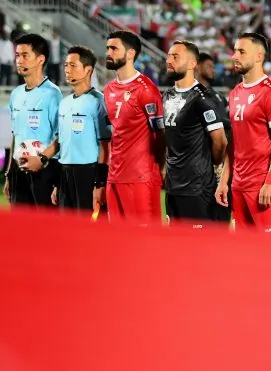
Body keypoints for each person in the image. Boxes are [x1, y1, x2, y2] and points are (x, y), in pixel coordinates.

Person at [215, 33, 271, 234]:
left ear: (258, 56)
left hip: (263, 186)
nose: (234, 56)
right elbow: (233, 142)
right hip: (239, 185)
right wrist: (224, 180)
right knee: (243, 249)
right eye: (235, 51)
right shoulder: (235, 93)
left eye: (241, 51)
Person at [161, 41, 228, 227]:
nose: (169, 60)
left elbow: (220, 141)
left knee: (199, 243)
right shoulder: (167, 96)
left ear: (192, 64)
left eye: (175, 57)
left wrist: (211, 165)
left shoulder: (203, 98)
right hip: (172, 186)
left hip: (197, 188)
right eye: (169, 56)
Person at [103, 30, 165, 225]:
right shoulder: (108, 89)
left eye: (114, 48)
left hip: (140, 177)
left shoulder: (146, 89)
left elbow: (160, 134)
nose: (108, 52)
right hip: (114, 176)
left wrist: (161, 167)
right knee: (116, 238)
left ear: (130, 54)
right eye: (107, 48)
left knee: (144, 238)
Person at [4, 32, 61, 208]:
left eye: (25, 55)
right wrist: (9, 173)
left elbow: (62, 137)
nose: (19, 60)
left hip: (44, 170)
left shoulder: (53, 94)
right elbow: (15, 134)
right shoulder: (16, 94)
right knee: (20, 223)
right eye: (17, 55)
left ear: (40, 59)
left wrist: (41, 159)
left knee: (45, 223)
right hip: (18, 171)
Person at [52, 46, 110, 213]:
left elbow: (106, 146)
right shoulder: (64, 103)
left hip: (88, 173)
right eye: (66, 65)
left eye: (73, 65)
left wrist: (100, 183)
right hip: (64, 173)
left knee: (88, 226)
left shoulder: (99, 101)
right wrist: (57, 183)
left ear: (88, 70)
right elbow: (62, 144)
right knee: (65, 226)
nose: (67, 70)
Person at [197, 51, 232, 223]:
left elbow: (228, 125)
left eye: (213, 66)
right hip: (200, 166)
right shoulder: (193, 95)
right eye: (209, 66)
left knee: (223, 214)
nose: (213, 70)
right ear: (197, 66)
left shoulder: (218, 97)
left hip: (221, 165)